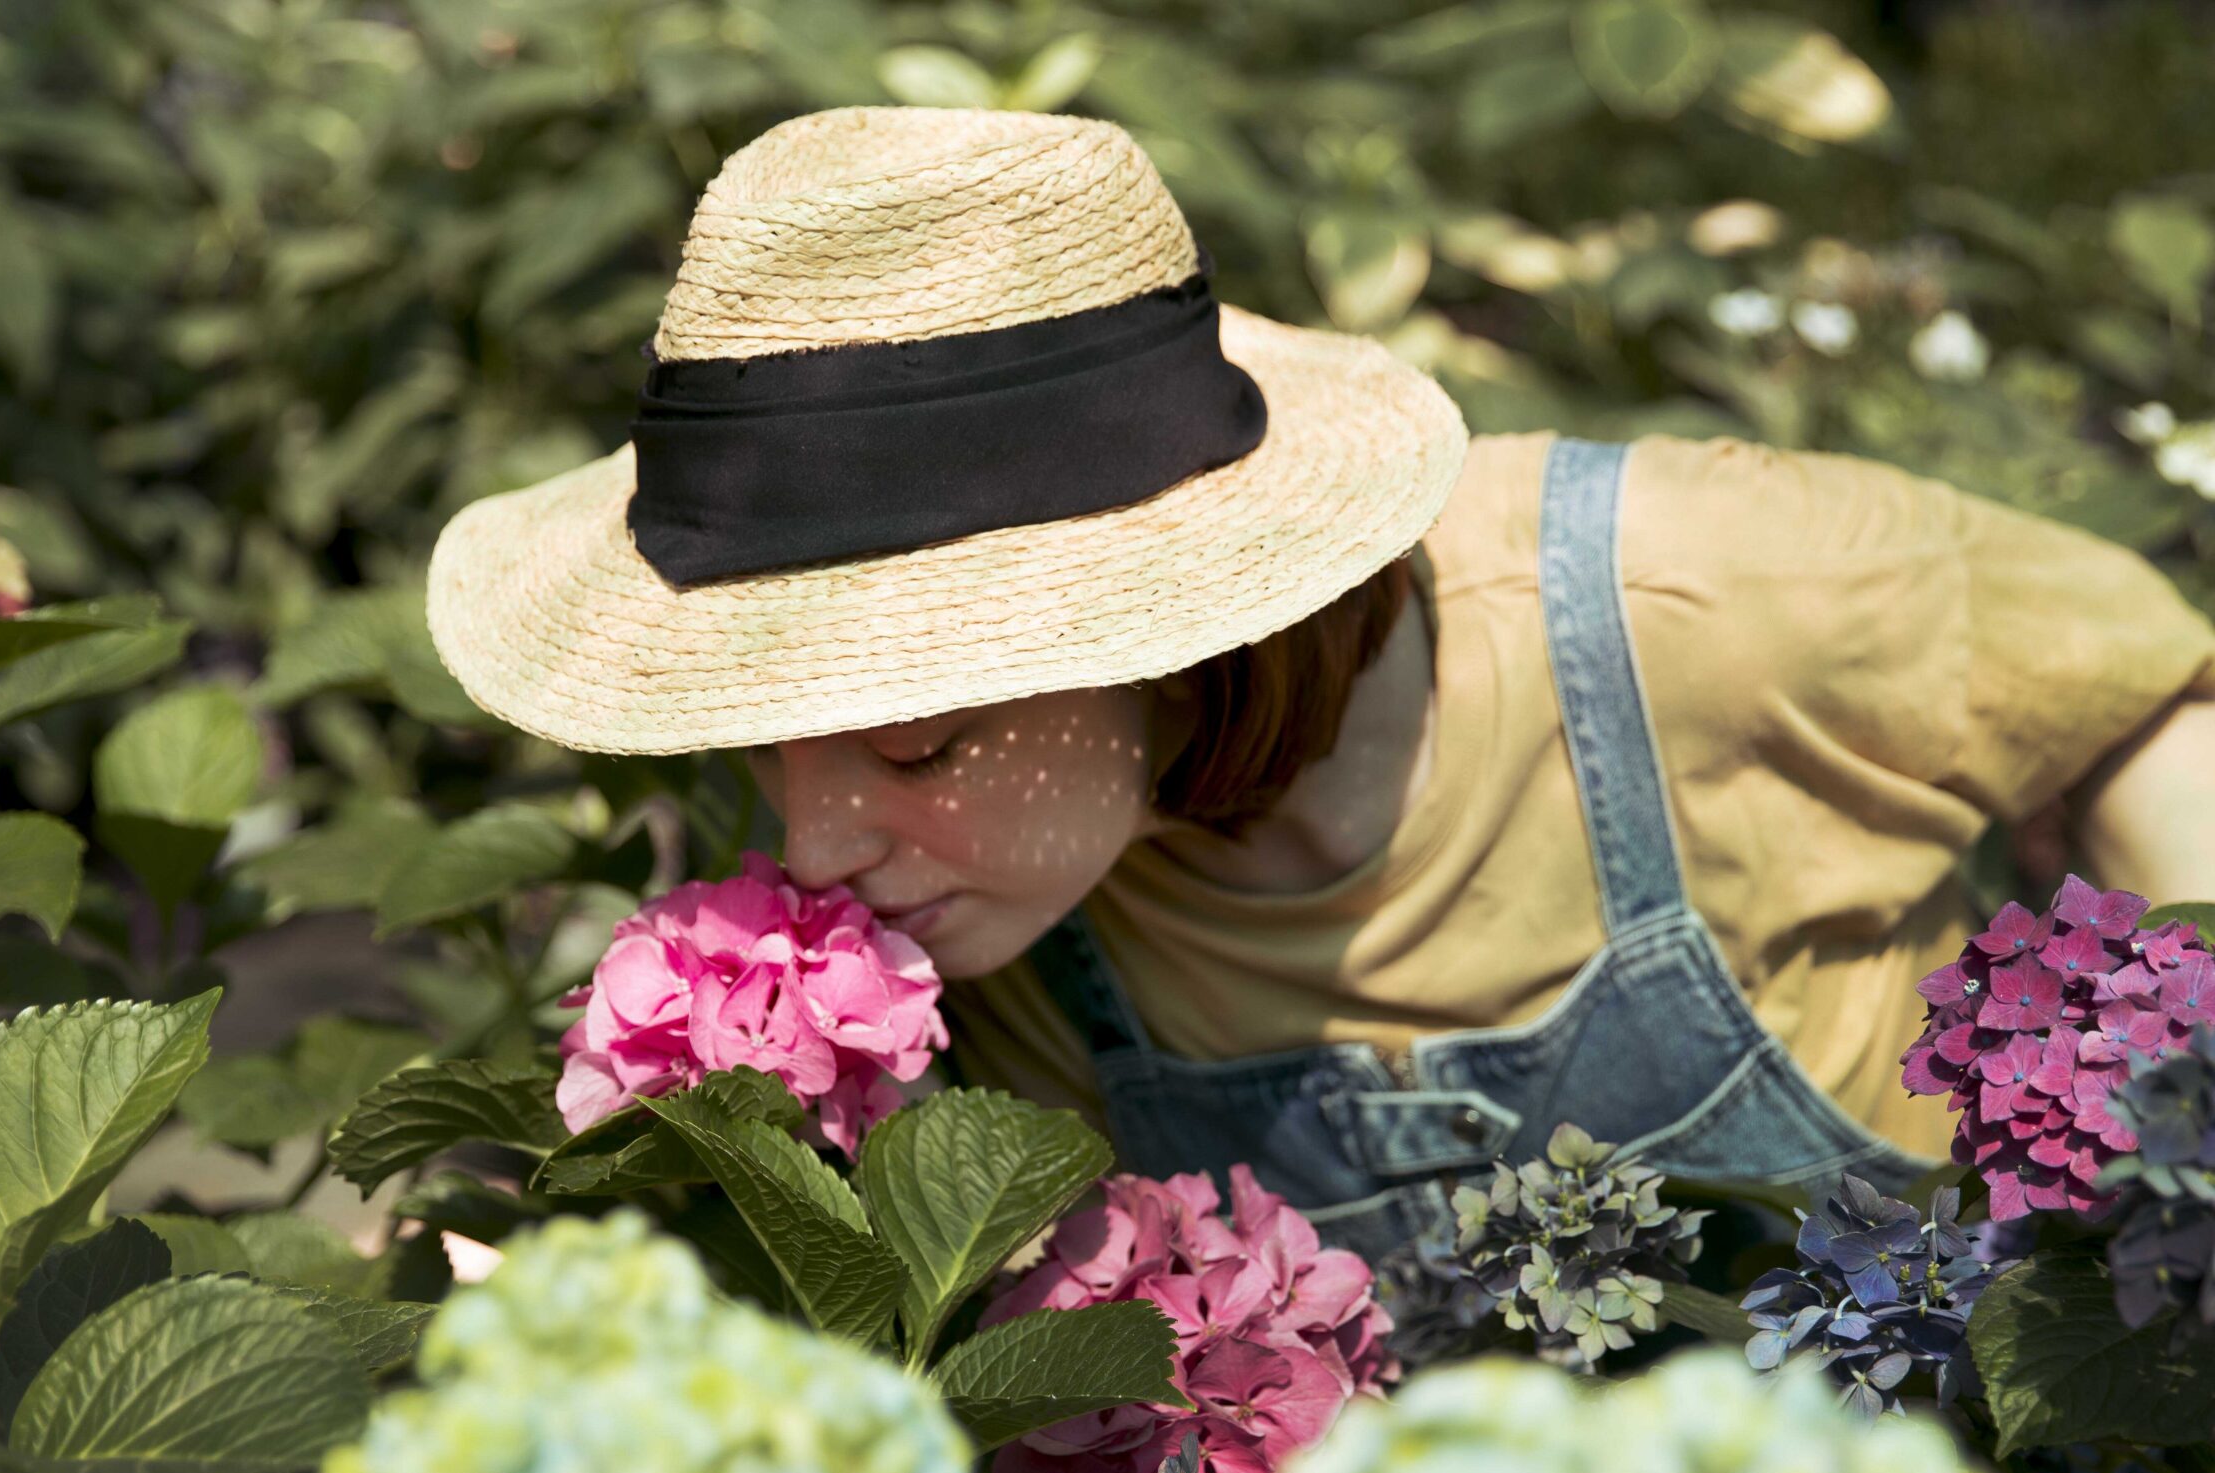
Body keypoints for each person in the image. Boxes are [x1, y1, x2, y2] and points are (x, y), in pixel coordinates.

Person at [425, 106, 2215, 1258]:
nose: (817, 837)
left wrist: (2163, 1092)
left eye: (915, 731)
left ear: (1163, 635)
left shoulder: (1707, 595)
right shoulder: (1005, 936)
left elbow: (2144, 694)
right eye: (764, 744)